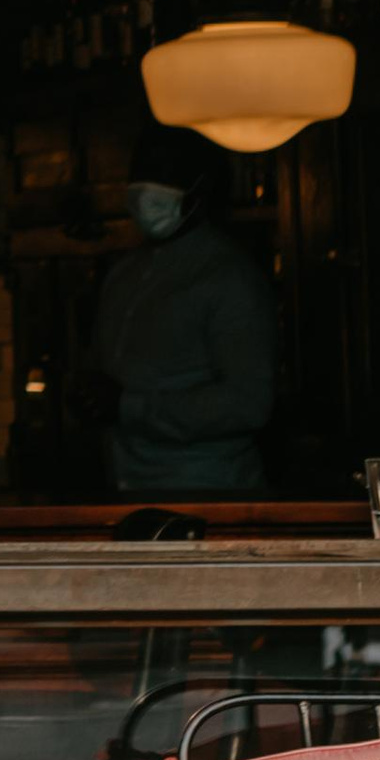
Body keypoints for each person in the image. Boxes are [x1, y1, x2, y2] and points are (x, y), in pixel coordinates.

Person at [91, 134, 275, 499]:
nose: (146, 191)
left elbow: (248, 402)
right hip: (125, 483)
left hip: (205, 489)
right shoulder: (125, 273)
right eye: (140, 175)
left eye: (162, 176)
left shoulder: (227, 276)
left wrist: (129, 406)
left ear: (198, 192)